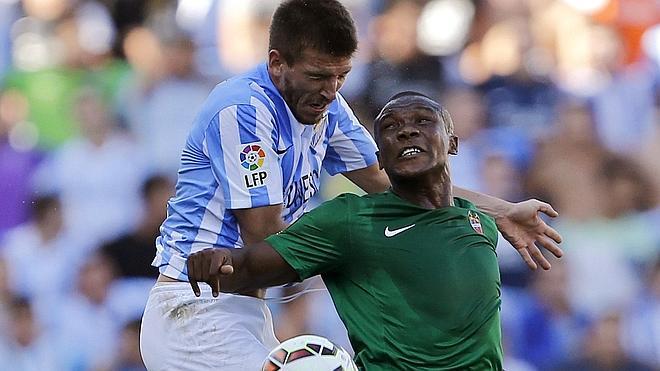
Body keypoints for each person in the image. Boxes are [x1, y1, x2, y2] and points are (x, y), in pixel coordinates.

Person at [140, 1, 562, 370]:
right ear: (276, 63)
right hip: (193, 310)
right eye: (318, 76)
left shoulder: (329, 107)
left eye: (341, 76)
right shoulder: (243, 109)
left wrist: (502, 211)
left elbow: (393, 181)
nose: (330, 91)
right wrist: (368, 252)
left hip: (246, 310)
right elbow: (264, 235)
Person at [187, 92, 531, 370]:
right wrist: (219, 261)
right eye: (391, 127)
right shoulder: (351, 220)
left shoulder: (481, 224)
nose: (406, 131)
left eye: (423, 121)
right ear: (379, 158)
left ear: (453, 143)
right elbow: (252, 264)